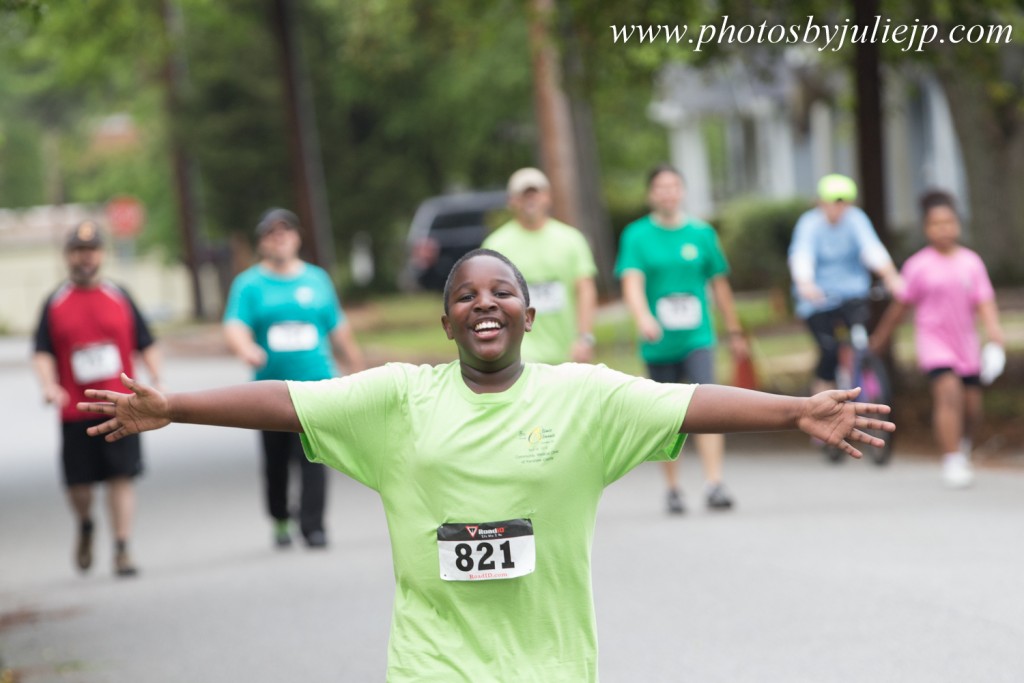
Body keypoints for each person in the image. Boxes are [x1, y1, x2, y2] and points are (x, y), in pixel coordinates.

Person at [79, 248, 893, 681]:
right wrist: (175, 406)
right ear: (446, 321)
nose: (483, 304)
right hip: (432, 662)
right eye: (465, 295)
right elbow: (287, 399)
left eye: (500, 291)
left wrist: (795, 410)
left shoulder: (584, 397)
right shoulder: (398, 400)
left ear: (529, 313)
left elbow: (687, 403)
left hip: (551, 663)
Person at [222, 208, 365, 548]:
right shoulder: (249, 284)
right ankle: (281, 516)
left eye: (285, 231)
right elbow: (234, 325)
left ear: (297, 238)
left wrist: (358, 371)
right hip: (270, 388)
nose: (279, 238)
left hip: (316, 383)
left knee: (315, 455)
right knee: (276, 461)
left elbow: (338, 329)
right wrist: (245, 349)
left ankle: (314, 525)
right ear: (262, 243)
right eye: (271, 233)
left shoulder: (317, 279)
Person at [32, 220, 162, 577]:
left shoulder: (119, 296)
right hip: (75, 410)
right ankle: (86, 524)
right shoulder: (55, 302)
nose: (84, 258)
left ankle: (122, 548)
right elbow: (41, 352)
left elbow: (146, 341)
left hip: (121, 405)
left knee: (122, 476)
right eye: (77, 251)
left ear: (101, 255)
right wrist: (48, 385)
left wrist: (155, 375)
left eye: (90, 251)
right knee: (80, 486)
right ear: (67, 256)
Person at [615, 163, 748, 514]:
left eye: (674, 186)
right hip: (658, 340)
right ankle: (673, 487)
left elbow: (719, 284)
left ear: (683, 191)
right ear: (651, 194)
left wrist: (733, 329)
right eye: (660, 187)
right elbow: (631, 281)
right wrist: (643, 317)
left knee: (709, 404)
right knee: (667, 416)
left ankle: (715, 482)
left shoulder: (702, 233)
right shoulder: (636, 235)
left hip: (698, 336)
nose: (668, 193)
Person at [870, 190, 1005, 488]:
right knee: (948, 393)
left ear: (958, 224)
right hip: (935, 344)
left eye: (949, 222)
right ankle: (952, 457)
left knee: (972, 407)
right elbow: (900, 307)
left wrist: (995, 335)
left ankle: (962, 443)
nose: (943, 229)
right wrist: (881, 337)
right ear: (926, 228)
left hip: (966, 345)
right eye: (936, 224)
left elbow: (984, 302)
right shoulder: (918, 265)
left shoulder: (971, 262)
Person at [788, 173, 903, 396]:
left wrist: (890, 275)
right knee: (829, 352)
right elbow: (802, 255)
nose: (839, 209)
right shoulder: (809, 224)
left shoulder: (856, 219)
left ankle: (866, 386)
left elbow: (871, 248)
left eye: (844, 203)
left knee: (861, 342)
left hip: (852, 294)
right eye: (834, 202)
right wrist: (805, 283)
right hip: (819, 299)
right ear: (821, 202)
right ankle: (820, 407)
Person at [482, 167, 598, 363]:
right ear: (512, 201)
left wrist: (584, 337)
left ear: (547, 197)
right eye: (523, 195)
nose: (530, 200)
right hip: (519, 356)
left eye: (535, 194)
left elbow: (585, 289)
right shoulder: (495, 245)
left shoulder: (571, 239)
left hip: (567, 353)